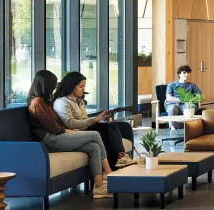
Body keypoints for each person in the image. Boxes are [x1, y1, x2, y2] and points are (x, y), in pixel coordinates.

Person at [27, 70, 113, 199]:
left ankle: (99, 187)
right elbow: (53, 128)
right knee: (94, 134)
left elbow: (55, 125)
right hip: (50, 140)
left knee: (93, 147)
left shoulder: (43, 102)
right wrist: (68, 131)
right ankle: (109, 173)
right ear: (45, 85)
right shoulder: (37, 102)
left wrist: (67, 131)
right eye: (53, 84)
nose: (55, 87)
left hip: (56, 136)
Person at [52, 72, 136, 169]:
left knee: (112, 126)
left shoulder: (79, 100)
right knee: (103, 136)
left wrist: (100, 118)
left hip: (86, 128)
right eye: (81, 86)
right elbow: (70, 123)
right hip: (76, 132)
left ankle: (120, 158)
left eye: (84, 86)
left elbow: (83, 119)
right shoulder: (62, 102)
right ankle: (112, 166)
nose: (83, 89)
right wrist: (94, 120)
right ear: (71, 86)